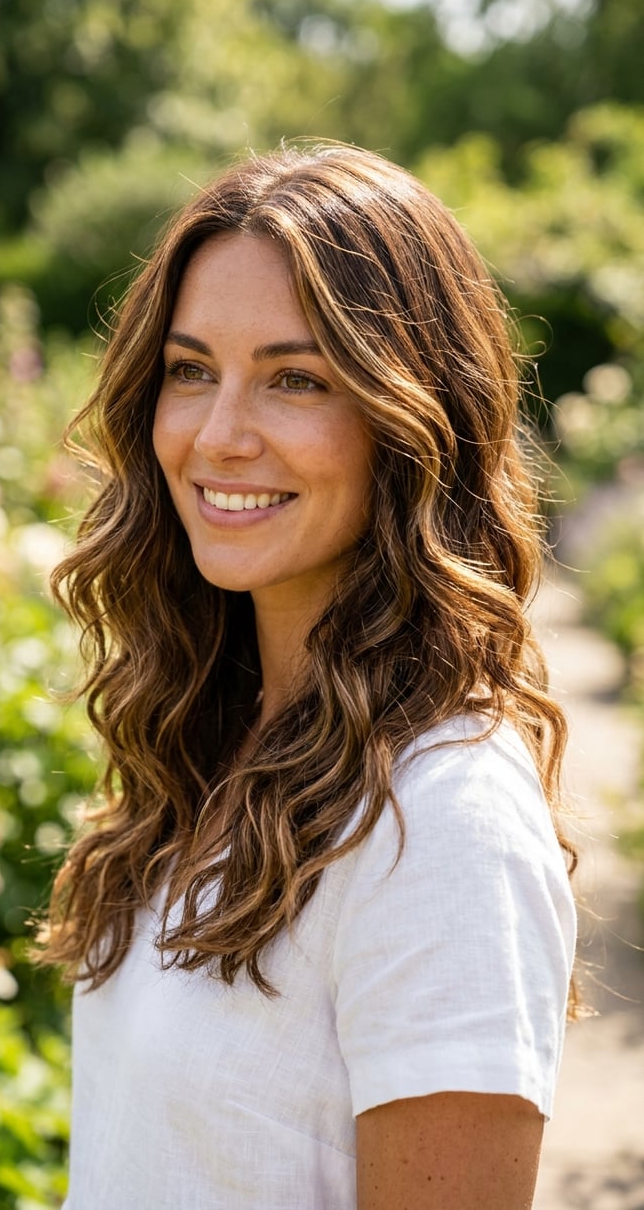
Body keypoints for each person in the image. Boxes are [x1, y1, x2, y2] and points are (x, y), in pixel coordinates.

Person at [41, 142, 578, 1209]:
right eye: (192, 370)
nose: (218, 434)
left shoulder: (443, 817)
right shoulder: (213, 742)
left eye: (296, 380)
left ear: (413, 422)